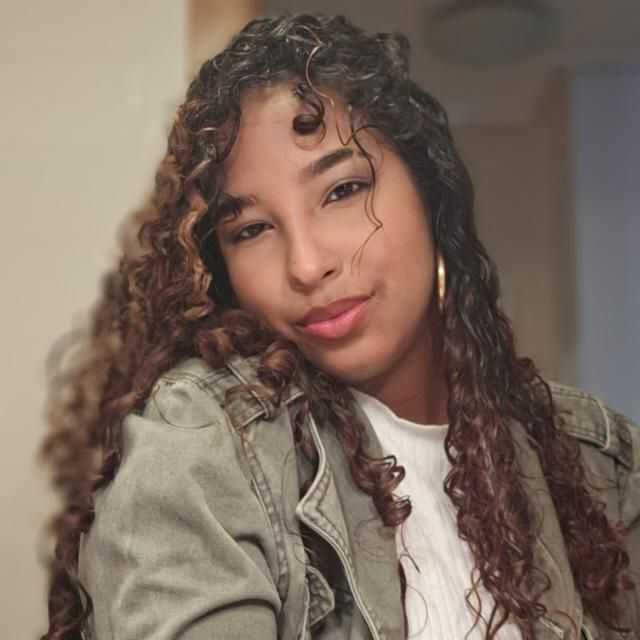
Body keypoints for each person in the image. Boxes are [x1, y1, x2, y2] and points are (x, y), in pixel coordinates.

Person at [41, 12, 639, 640]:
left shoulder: (591, 461)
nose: (306, 265)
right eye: (252, 229)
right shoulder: (203, 446)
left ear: (429, 192)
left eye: (341, 190)